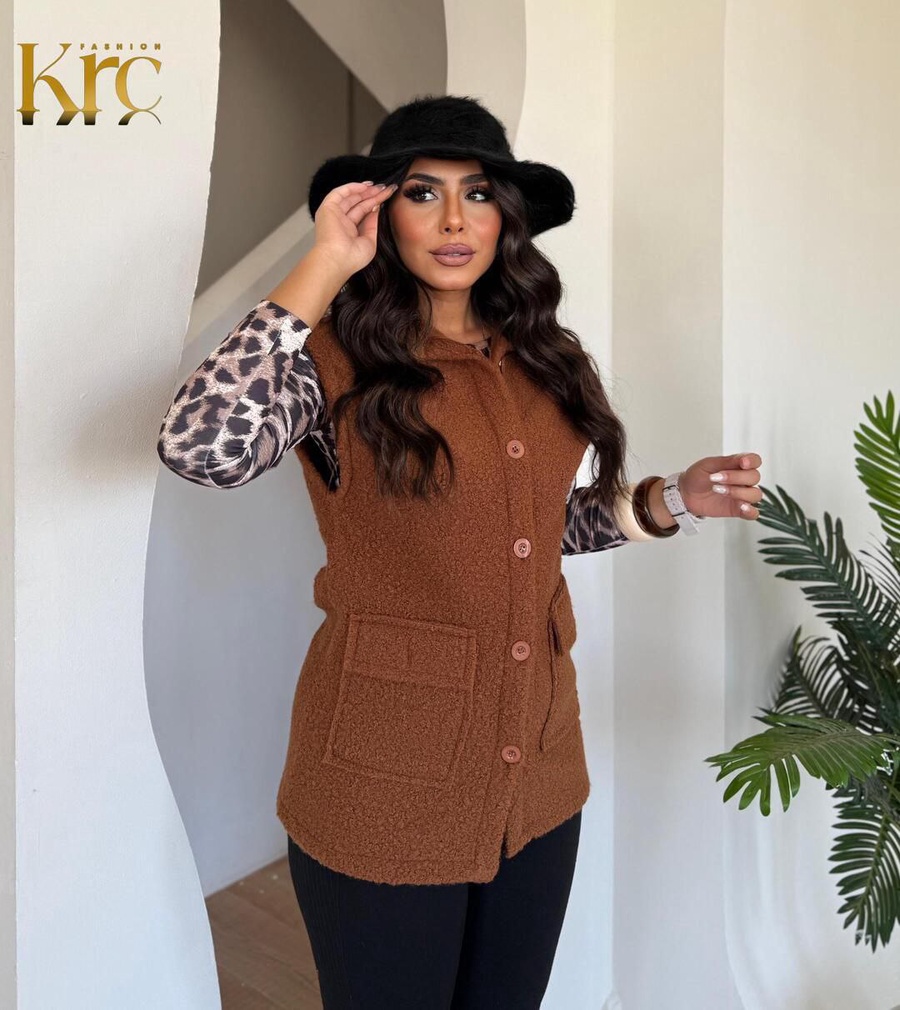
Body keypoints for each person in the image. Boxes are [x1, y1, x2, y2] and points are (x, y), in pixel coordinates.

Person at [157, 94, 762, 1009]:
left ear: (505, 217)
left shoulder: (545, 357)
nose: (452, 219)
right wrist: (323, 264)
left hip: (537, 776)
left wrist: (672, 500)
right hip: (381, 785)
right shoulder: (333, 361)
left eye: (477, 193)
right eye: (421, 193)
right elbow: (201, 448)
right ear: (380, 213)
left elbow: (534, 530)